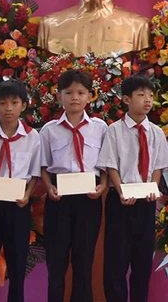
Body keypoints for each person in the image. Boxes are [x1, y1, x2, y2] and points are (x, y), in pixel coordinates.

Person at [97, 74, 168, 302]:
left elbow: (158, 166)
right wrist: (120, 191)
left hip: (146, 203)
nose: (147, 100)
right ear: (127, 99)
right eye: (141, 95)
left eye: (150, 95)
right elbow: (111, 166)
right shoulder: (114, 131)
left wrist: (153, 187)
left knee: (142, 263)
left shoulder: (156, 132)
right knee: (116, 262)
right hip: (120, 202)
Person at [39, 70, 108, 302]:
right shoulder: (49, 130)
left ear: (90, 96)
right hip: (59, 197)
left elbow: (107, 165)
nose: (75, 98)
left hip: (89, 198)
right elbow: (43, 166)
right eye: (68, 93)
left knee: (83, 260)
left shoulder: (100, 128)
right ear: (60, 96)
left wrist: (102, 187)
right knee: (56, 262)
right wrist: (49, 188)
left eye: (80, 93)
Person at [0, 79, 42, 302]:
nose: (9, 108)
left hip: (18, 206)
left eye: (14, 102)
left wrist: (27, 195)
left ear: (23, 105)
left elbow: (34, 174)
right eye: (3, 103)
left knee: (18, 265)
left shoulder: (32, 137)